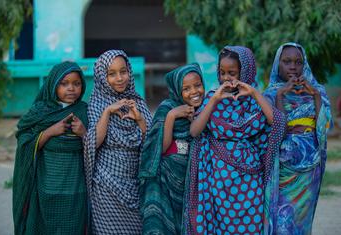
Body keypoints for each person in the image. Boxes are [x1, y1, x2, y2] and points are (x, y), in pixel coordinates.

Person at [183, 46, 286, 234]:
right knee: (223, 227)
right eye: (222, 73)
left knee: (251, 226)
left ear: (245, 72)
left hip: (251, 179)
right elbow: (194, 131)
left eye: (232, 73)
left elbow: (278, 123)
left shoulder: (255, 101)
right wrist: (214, 100)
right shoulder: (212, 99)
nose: (225, 78)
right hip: (219, 182)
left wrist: (254, 93)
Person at [264, 42, 332, 234]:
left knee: (302, 222)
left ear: (305, 65)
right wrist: (280, 95)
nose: (293, 66)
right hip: (284, 169)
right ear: (278, 64)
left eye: (298, 62)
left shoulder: (317, 91)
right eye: (287, 61)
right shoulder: (270, 94)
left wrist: (316, 95)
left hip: (310, 170)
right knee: (282, 220)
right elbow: (278, 131)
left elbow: (325, 128)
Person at [12, 61, 88, 234]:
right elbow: (24, 140)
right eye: (64, 83)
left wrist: (84, 133)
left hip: (76, 189)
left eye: (76, 84)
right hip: (45, 186)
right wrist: (48, 133)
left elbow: (95, 144)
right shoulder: (40, 111)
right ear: (53, 84)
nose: (71, 88)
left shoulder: (85, 111)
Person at [84, 50, 152, 234]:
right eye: (112, 74)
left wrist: (139, 120)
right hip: (105, 187)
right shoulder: (97, 104)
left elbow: (152, 144)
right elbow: (93, 143)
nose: (120, 78)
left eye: (123, 71)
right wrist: (107, 112)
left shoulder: (138, 103)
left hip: (134, 185)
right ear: (102, 77)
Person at [139, 63, 205, 234]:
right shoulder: (167, 108)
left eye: (198, 85)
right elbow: (159, 148)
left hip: (191, 182)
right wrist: (172, 116)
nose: (194, 92)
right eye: (186, 88)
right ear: (177, 90)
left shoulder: (206, 110)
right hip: (164, 181)